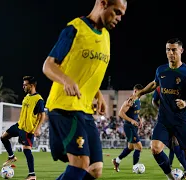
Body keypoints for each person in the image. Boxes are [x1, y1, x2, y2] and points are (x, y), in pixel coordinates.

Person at [42, 0, 127, 179]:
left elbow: (88, 71)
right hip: (65, 106)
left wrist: (98, 95)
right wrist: (65, 80)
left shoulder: (106, 37)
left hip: (85, 109)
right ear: (103, 3)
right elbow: (48, 66)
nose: (119, 18)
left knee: (95, 170)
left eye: (122, 15)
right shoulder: (75, 29)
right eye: (117, 12)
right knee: (81, 165)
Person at [133, 38, 186, 180]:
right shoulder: (161, 70)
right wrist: (140, 93)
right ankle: (171, 178)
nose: (170, 53)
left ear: (181, 51)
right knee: (155, 149)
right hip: (164, 120)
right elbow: (154, 84)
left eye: (174, 49)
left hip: (181, 121)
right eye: (168, 49)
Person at [152, 86, 186, 179]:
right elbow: (154, 100)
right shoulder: (160, 83)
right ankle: (177, 175)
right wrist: (161, 110)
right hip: (166, 121)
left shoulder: (184, 80)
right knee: (159, 148)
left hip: (181, 121)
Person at [0, 76, 46, 180]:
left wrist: (38, 128)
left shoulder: (39, 100)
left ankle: (32, 175)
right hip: (19, 125)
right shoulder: (26, 97)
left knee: (26, 150)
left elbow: (42, 115)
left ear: (32, 85)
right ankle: (11, 156)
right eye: (23, 84)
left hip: (28, 130)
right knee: (3, 137)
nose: (23, 86)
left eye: (25, 84)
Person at [112, 84, 144, 172]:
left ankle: (116, 160)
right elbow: (120, 113)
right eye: (140, 92)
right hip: (129, 126)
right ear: (135, 91)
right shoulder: (130, 100)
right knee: (139, 147)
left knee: (130, 147)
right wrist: (131, 121)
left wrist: (139, 119)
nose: (142, 94)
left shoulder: (138, 100)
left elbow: (134, 112)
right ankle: (135, 167)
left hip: (134, 127)